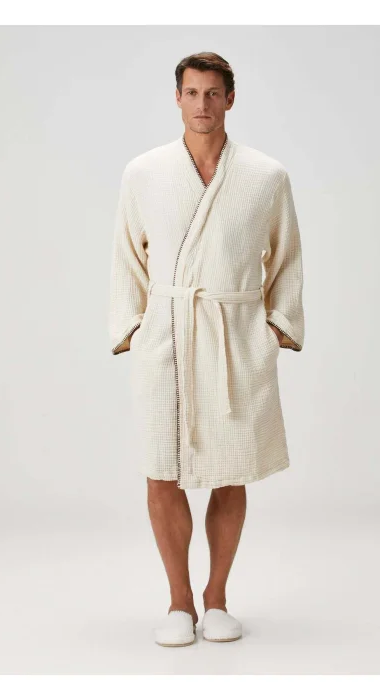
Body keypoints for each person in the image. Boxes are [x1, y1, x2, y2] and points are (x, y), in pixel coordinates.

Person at [108, 52, 305, 646]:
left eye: (213, 93)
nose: (202, 104)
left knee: (231, 470)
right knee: (160, 472)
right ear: (177, 98)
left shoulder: (266, 176)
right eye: (191, 93)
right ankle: (179, 602)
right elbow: (127, 255)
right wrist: (135, 327)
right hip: (167, 336)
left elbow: (287, 256)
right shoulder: (144, 173)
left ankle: (217, 599)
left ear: (230, 99)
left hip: (232, 339)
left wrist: (274, 328)